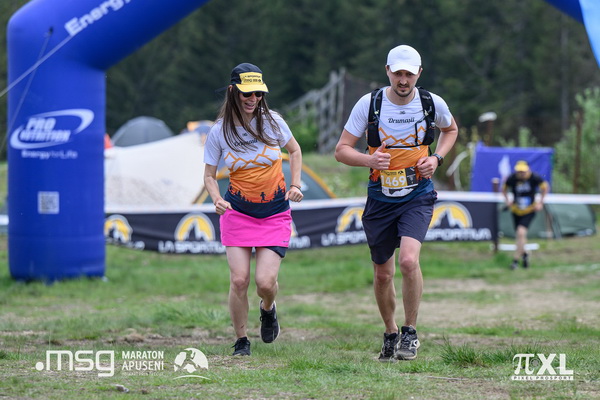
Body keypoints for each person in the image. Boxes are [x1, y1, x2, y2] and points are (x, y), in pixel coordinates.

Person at [334, 45, 458, 361]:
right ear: (388, 71)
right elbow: (341, 150)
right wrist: (369, 160)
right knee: (383, 274)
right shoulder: (369, 104)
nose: (403, 80)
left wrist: (437, 158)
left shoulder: (431, 103)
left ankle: (410, 332)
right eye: (398, 73)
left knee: (408, 261)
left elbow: (451, 129)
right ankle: (390, 332)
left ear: (419, 73)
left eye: (409, 74)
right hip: (380, 198)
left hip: (418, 195)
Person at [203, 63, 304, 356]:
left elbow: (295, 150)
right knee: (239, 280)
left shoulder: (273, 122)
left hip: (274, 211)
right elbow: (209, 175)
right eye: (247, 93)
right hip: (237, 212)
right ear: (233, 91)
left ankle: (268, 308)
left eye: (258, 93)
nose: (253, 99)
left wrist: (295, 184)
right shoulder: (219, 131)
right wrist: (215, 198)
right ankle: (241, 340)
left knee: (265, 283)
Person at [502, 160, 548, 270]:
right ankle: (525, 254)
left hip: (529, 210)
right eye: (519, 171)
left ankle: (515, 261)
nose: (521, 173)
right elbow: (503, 189)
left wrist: (540, 203)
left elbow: (545, 188)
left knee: (521, 232)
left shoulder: (534, 178)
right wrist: (508, 201)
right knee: (520, 236)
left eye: (523, 171)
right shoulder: (512, 178)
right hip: (516, 210)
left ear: (528, 170)